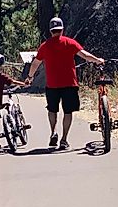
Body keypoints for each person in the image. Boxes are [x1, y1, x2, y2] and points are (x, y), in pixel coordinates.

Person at [25, 17, 104, 150]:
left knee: (52, 110)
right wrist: (98, 60)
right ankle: (64, 139)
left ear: (51, 31)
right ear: (62, 29)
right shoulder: (70, 43)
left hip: (52, 84)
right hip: (69, 83)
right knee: (68, 112)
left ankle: (53, 132)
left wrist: (30, 77)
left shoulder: (45, 46)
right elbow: (84, 55)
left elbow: (35, 63)